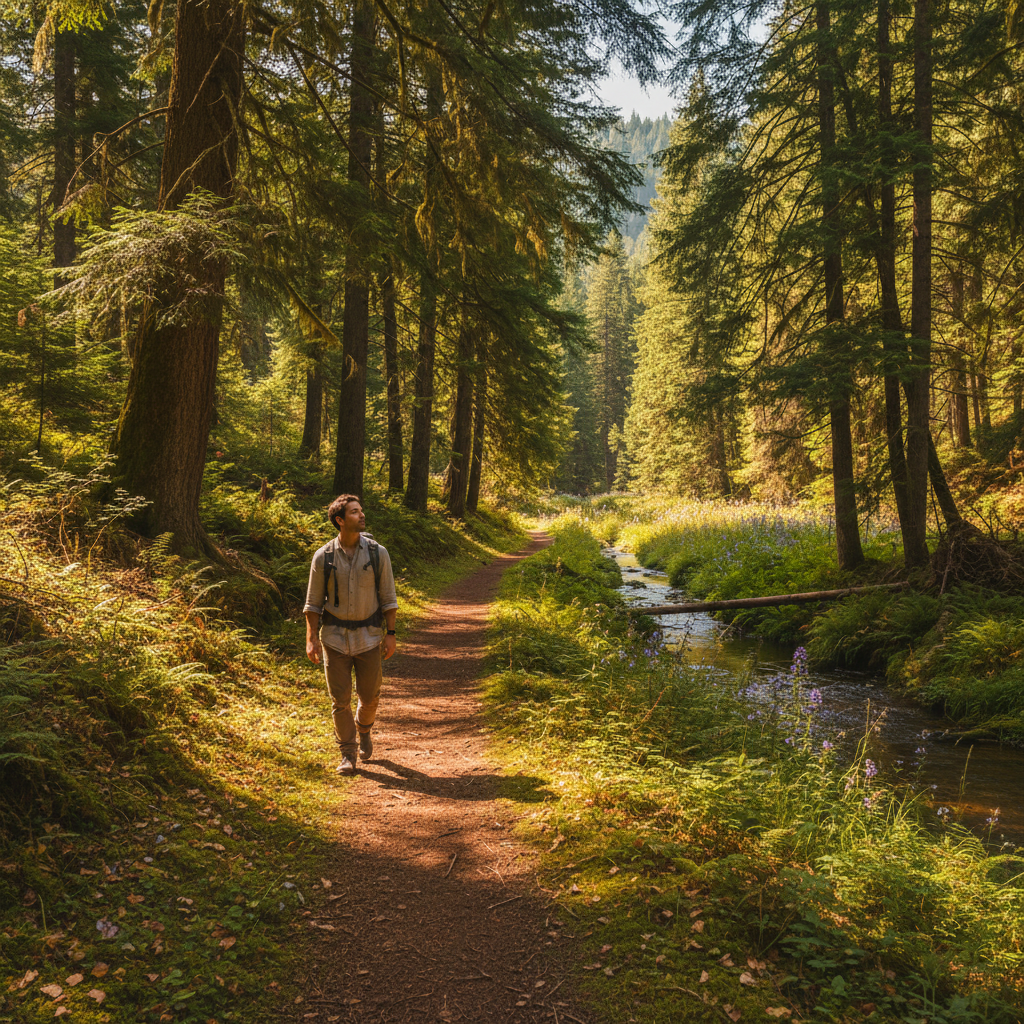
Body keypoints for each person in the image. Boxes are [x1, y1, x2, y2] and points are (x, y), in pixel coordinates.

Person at [304, 494, 398, 775]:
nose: (362, 515)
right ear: (340, 520)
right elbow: (312, 604)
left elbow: (389, 598)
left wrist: (390, 633)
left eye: (361, 511)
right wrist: (310, 639)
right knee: (340, 700)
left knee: (369, 697)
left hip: (369, 637)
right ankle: (347, 753)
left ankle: (364, 728)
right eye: (355, 512)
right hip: (333, 639)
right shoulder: (323, 557)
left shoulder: (377, 553)